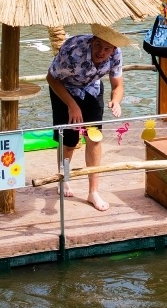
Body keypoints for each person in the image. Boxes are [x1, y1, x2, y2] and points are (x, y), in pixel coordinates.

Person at [46, 24, 129, 212]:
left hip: (92, 88)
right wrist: (72, 105)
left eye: (107, 49)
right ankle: (64, 178)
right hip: (64, 88)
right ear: (93, 40)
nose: (101, 52)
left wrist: (116, 101)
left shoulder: (116, 54)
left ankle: (93, 191)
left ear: (113, 49)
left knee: (94, 138)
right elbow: (51, 78)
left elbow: (118, 85)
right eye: (98, 45)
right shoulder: (73, 49)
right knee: (69, 141)